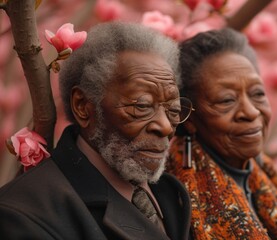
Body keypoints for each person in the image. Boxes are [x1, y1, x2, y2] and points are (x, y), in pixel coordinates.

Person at [0, 22, 194, 240]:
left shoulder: (173, 196)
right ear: (83, 106)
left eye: (174, 110)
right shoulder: (25, 215)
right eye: (142, 106)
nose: (166, 127)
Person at [167, 28, 277, 239]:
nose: (251, 112)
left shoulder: (273, 184)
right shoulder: (172, 199)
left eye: (258, 94)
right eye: (227, 100)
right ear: (188, 116)